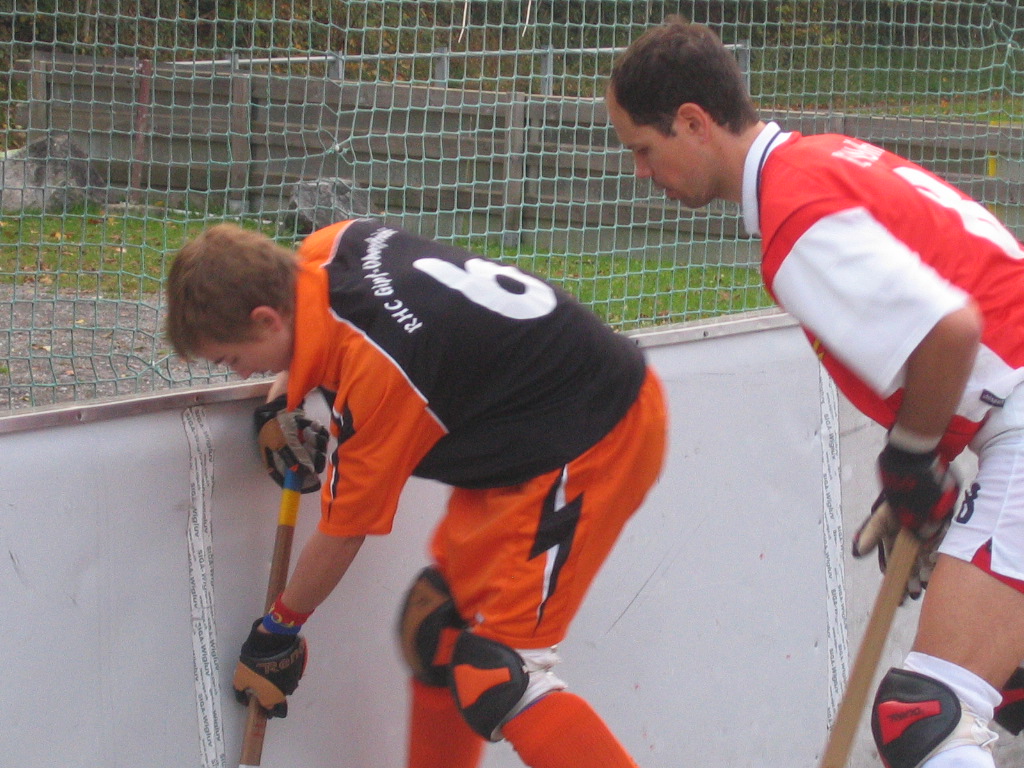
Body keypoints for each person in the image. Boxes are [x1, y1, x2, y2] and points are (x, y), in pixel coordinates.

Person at [605, 16, 1024, 768]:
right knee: (1011, 683)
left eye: (643, 147)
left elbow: (951, 331)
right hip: (1007, 413)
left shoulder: (795, 215)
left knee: (923, 715)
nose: (641, 171)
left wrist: (911, 461)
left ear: (693, 123)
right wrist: (923, 467)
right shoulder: (818, 161)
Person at [164, 218, 667, 768]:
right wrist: (279, 404)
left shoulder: (379, 375)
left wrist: (278, 630)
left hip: (593, 438)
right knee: (435, 633)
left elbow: (344, 533)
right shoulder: (330, 246)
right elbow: (325, 330)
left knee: (498, 674)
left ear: (265, 318)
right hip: (530, 431)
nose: (241, 374)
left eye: (232, 360)